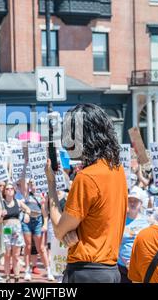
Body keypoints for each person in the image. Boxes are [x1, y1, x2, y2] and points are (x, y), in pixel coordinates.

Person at [45, 103, 128, 283]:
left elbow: (59, 230)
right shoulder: (117, 169)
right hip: (111, 270)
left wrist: (51, 184)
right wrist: (70, 231)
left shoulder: (87, 177)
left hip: (86, 271)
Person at [19, 177, 54, 281]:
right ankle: (27, 270)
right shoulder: (26, 195)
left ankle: (48, 271)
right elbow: (22, 181)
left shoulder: (41, 197)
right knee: (28, 246)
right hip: (27, 222)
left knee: (41, 248)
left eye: (34, 183)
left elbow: (45, 213)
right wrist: (25, 165)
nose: (32, 185)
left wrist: (45, 225)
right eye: (30, 183)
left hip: (38, 221)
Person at [118, 187, 151, 283]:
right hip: (122, 266)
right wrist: (125, 261)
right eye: (130, 200)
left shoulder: (147, 221)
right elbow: (116, 243)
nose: (132, 203)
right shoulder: (121, 220)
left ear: (141, 203)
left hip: (140, 266)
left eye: (135, 201)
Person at [0, 182, 31, 283]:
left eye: (11, 189)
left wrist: (27, 214)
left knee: (16, 255)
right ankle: (7, 277)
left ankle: (16, 277)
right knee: (7, 254)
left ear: (14, 191)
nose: (9, 190)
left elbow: (28, 209)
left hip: (17, 229)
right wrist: (1, 215)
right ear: (4, 191)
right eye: (7, 189)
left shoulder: (18, 202)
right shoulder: (2, 203)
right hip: (6, 229)